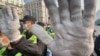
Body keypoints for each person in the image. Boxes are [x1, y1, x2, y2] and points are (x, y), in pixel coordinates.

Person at [0, 0, 96, 56]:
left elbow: (38, 51)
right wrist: (16, 39)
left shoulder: (41, 34)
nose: (23, 24)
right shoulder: (26, 32)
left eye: (25, 22)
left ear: (31, 23)